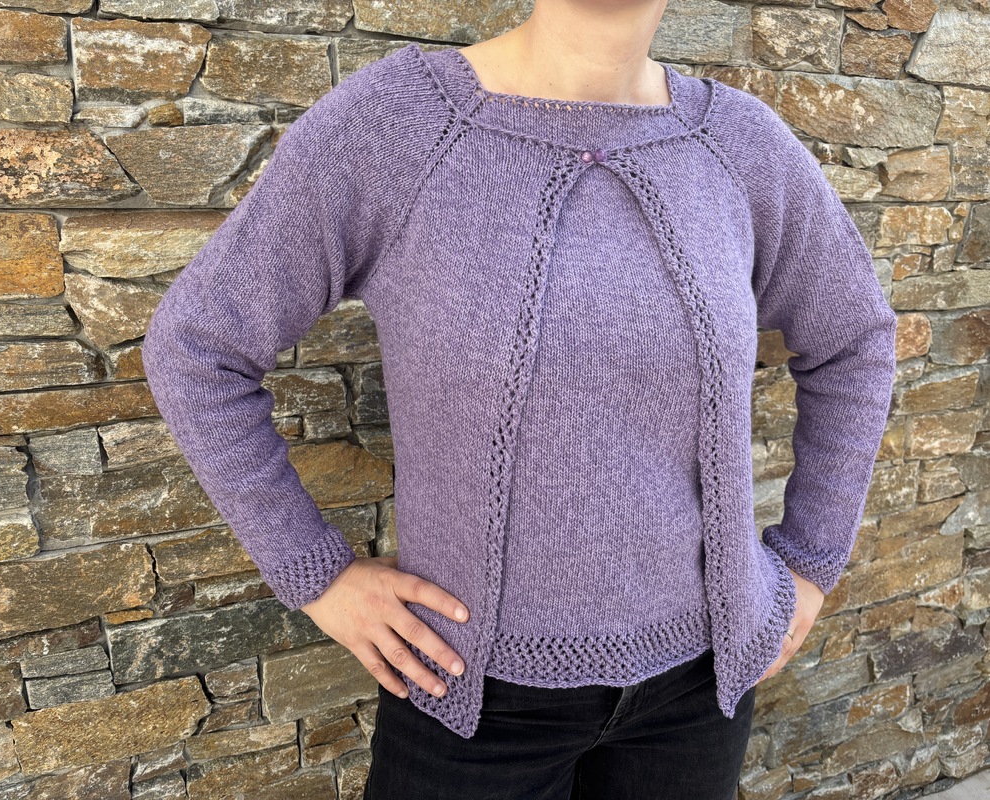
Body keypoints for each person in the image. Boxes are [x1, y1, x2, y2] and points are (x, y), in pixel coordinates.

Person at [140, 1, 898, 798]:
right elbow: (198, 347)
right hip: (466, 697)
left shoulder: (740, 144)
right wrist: (318, 576)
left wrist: (810, 560)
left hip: (698, 695)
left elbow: (853, 338)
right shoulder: (395, 125)